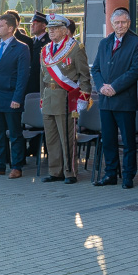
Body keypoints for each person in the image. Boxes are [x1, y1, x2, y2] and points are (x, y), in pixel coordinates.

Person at [90, 7, 138, 188]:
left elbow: (135, 70)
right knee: (108, 139)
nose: (120, 25)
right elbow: (95, 68)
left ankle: (128, 176)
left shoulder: (136, 43)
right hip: (105, 100)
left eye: (123, 22)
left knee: (129, 141)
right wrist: (100, 87)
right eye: (116, 23)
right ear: (112, 24)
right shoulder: (105, 42)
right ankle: (110, 174)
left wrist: (114, 87)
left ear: (129, 23)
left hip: (124, 100)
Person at [40, 13, 92, 184]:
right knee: (52, 138)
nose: (51, 32)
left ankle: (70, 172)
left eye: (55, 29)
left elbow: (84, 76)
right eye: (49, 29)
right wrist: (42, 98)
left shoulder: (75, 48)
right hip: (48, 97)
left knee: (67, 138)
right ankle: (55, 171)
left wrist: (83, 98)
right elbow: (42, 78)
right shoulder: (45, 50)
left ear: (64, 30)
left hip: (65, 98)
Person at [0, 14, 30, 179]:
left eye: (0, 26)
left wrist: (17, 98)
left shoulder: (21, 48)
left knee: (15, 134)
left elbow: (23, 77)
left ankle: (16, 166)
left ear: (10, 28)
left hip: (11, 98)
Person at [27, 12, 50, 93]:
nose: (32, 26)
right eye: (31, 24)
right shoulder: (30, 41)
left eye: (35, 24)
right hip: (30, 82)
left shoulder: (49, 41)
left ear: (44, 26)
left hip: (41, 82)